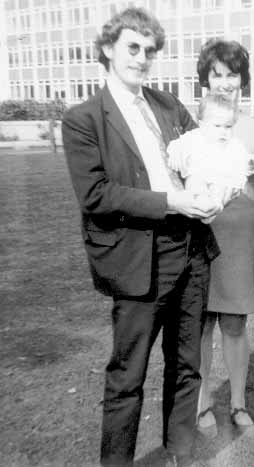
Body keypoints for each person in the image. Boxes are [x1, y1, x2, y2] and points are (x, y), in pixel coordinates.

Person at [61, 7, 223, 467]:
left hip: (191, 251)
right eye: (133, 47)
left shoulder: (168, 105)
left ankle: (179, 456)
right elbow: (96, 194)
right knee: (127, 376)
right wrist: (172, 201)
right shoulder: (83, 119)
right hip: (137, 259)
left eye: (149, 50)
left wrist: (213, 189)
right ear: (109, 49)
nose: (142, 58)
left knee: (186, 365)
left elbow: (206, 154)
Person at [190, 39, 254, 436]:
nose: (223, 83)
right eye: (215, 75)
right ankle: (202, 405)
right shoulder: (192, 127)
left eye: (231, 74)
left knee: (235, 326)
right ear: (204, 80)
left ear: (243, 80)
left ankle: (238, 404)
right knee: (200, 324)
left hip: (241, 241)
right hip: (202, 238)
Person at [167, 93, 254, 214]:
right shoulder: (194, 137)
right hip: (199, 174)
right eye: (217, 126)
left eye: (228, 127)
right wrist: (175, 157)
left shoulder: (233, 144)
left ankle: (215, 206)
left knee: (223, 188)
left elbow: (242, 159)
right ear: (201, 124)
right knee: (194, 182)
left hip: (222, 178)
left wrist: (250, 164)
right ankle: (200, 204)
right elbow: (176, 145)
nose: (223, 132)